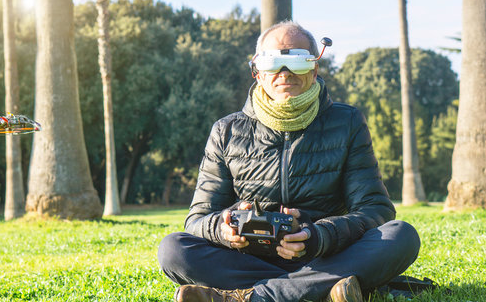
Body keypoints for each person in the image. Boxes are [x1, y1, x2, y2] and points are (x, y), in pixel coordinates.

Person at [157, 21, 420, 302]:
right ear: (257, 72)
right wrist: (223, 229)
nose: (285, 73)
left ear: (314, 68)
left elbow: (375, 209)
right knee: (173, 249)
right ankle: (323, 290)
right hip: (250, 261)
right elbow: (198, 218)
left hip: (323, 256)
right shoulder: (226, 130)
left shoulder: (348, 121)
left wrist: (319, 236)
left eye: (296, 61)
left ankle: (250, 297)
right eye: (273, 63)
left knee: (400, 236)